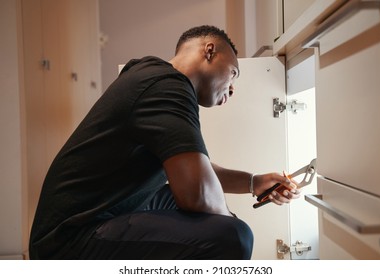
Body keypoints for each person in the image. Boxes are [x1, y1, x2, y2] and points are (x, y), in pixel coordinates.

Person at [29, 25, 300, 260]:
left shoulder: (153, 77)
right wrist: (227, 224)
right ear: (209, 51)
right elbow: (196, 193)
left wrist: (254, 182)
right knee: (234, 237)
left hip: (84, 221)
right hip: (67, 244)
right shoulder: (167, 87)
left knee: (198, 209)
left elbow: (195, 169)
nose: (232, 88)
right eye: (232, 73)